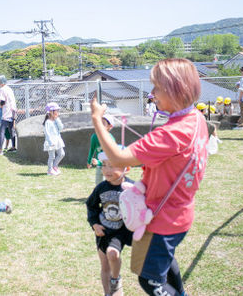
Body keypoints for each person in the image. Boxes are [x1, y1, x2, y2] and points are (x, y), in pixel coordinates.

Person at [91, 59, 209, 296]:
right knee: (165, 262)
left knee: (151, 280)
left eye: (157, 88)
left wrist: (96, 120)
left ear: (177, 90)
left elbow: (119, 158)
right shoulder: (196, 120)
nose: (152, 94)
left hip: (161, 219)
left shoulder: (169, 134)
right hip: (181, 212)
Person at [86, 151, 133, 296]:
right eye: (104, 165)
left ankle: (116, 281)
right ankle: (108, 293)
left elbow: (142, 208)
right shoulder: (101, 187)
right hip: (103, 230)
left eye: (112, 166)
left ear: (127, 168)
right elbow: (91, 205)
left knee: (113, 254)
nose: (106, 170)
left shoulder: (132, 188)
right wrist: (94, 224)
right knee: (105, 265)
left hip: (120, 232)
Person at [87, 114, 116, 184]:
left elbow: (111, 157)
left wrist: (98, 162)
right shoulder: (94, 137)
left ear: (110, 126)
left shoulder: (110, 139)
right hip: (100, 166)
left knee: (108, 184)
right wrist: (89, 161)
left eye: (103, 123)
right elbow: (92, 149)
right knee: (98, 184)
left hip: (110, 167)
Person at [0, 75, 17, 154]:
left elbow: (3, 101)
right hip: (13, 111)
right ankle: (14, 147)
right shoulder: (9, 88)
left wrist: (0, 105)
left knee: (2, 130)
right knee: (12, 130)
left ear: (1, 82)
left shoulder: (2, 89)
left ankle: (0, 149)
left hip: (6, 112)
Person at [43, 102, 65, 176]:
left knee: (62, 154)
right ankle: (49, 170)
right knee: (52, 156)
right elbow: (47, 133)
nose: (57, 112)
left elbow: (61, 127)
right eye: (56, 110)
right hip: (51, 142)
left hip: (58, 141)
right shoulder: (48, 122)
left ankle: (54, 166)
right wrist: (50, 142)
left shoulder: (56, 120)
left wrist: (57, 119)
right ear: (51, 112)